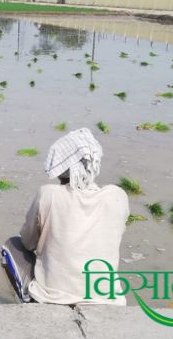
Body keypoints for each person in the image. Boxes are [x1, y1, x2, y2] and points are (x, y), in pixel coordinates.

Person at [19, 128, 129, 305]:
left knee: (12, 245)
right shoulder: (117, 196)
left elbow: (27, 242)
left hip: (53, 297)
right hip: (108, 299)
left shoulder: (48, 194)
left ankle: (29, 299)